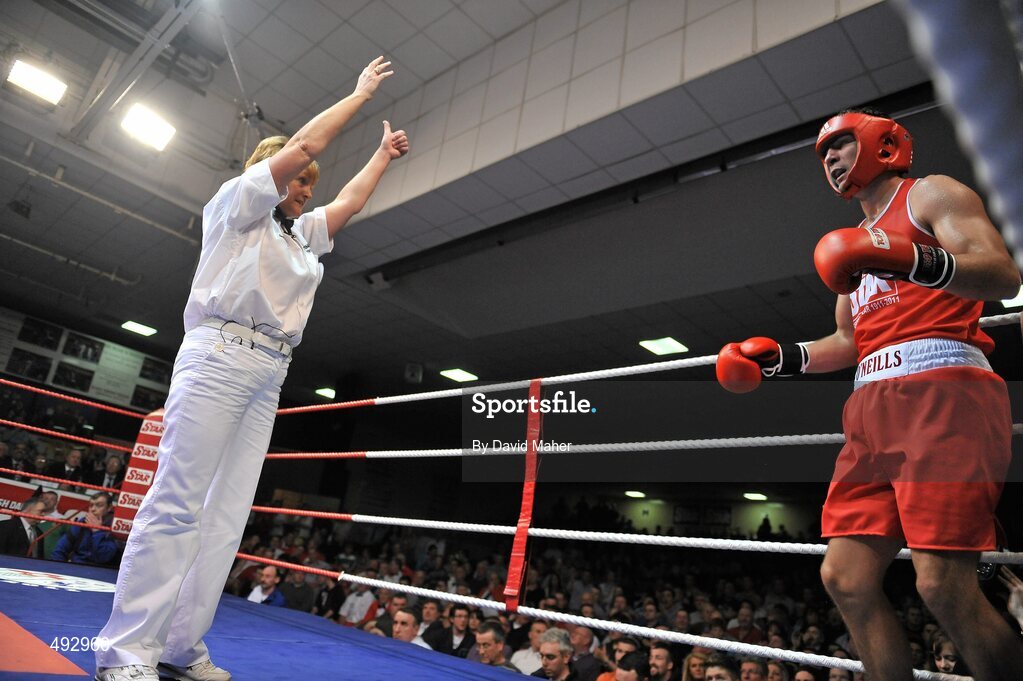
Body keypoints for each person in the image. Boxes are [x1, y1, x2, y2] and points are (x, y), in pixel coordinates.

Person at [94, 55, 409, 681]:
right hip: (218, 354)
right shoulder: (235, 206)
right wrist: (359, 94)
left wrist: (384, 157)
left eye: (308, 184)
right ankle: (127, 652)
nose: (305, 188)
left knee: (226, 517)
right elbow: (303, 143)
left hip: (269, 371)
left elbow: (346, 203)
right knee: (177, 506)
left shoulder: (297, 235)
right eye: (298, 179)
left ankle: (181, 646)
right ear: (269, 172)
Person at [716, 108, 1023, 680]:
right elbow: (847, 340)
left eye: (838, 146)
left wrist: (907, 256)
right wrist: (779, 360)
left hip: (943, 391)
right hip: (871, 406)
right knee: (844, 579)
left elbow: (1002, 274)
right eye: (822, 155)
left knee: (941, 587)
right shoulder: (851, 246)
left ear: (881, 144)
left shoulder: (932, 195)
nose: (828, 160)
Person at [50, 492, 118, 566]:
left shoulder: (115, 527)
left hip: (100, 570)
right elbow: (59, 550)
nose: (93, 509)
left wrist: (97, 531)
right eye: (91, 505)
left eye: (99, 505)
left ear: (109, 508)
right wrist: (58, 568)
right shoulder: (82, 522)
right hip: (76, 566)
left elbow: (103, 557)